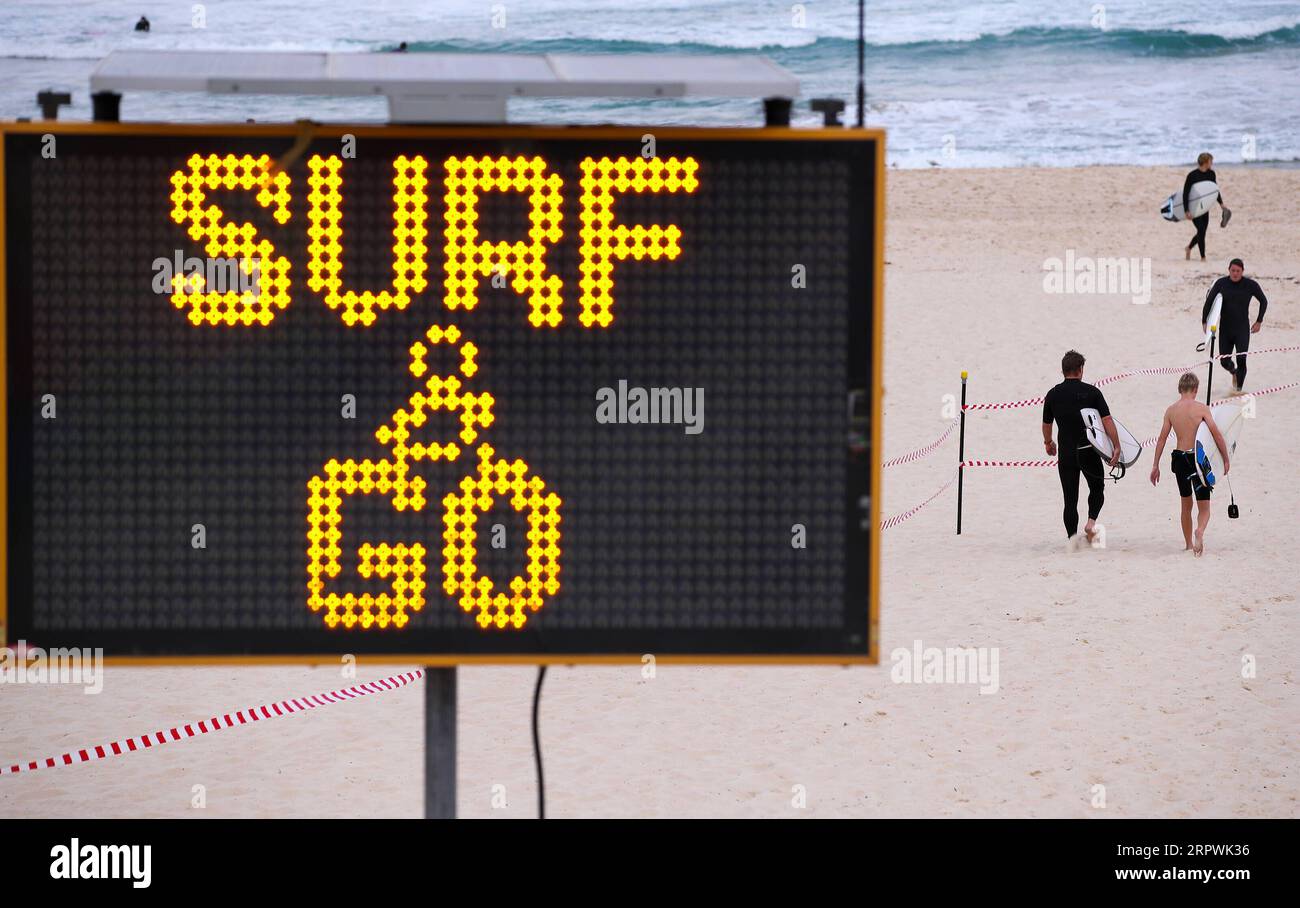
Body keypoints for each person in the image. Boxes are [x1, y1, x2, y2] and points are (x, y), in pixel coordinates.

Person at [1042, 350, 1120, 546]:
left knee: (1070, 499)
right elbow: (1107, 420)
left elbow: (1046, 423)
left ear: (1063, 370)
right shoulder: (1092, 392)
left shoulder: (1053, 394)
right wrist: (1116, 446)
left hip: (1067, 453)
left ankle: (1072, 539)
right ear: (1080, 370)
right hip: (1088, 450)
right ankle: (1091, 522)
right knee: (1097, 488)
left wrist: (1048, 442)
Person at [1149, 372, 1229, 556]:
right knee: (1204, 507)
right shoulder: (1201, 409)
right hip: (1197, 459)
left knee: (1186, 504)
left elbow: (1161, 440)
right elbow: (1216, 435)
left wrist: (1155, 465)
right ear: (1196, 389)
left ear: (1179, 389)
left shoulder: (1171, 410)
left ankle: (1187, 544)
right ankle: (1199, 531)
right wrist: (1225, 458)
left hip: (1179, 459)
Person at [1203, 258, 1268, 393]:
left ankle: (1238, 389)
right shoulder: (1221, 283)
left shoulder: (1250, 285)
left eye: (1238, 271)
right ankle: (1233, 372)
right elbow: (1209, 302)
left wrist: (1259, 321)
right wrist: (1205, 321)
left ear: (1242, 271)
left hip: (1242, 329)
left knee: (1242, 360)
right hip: (1225, 329)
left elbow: (1263, 301)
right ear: (1229, 270)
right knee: (1224, 361)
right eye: (1233, 270)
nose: (1235, 273)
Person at [1183, 152, 1230, 260]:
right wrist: (1186, 210)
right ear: (1205, 162)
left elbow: (1214, 190)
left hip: (1205, 207)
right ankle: (1203, 257)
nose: (1212, 163)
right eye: (1210, 161)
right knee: (1201, 230)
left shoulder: (1211, 174)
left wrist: (1221, 203)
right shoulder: (1192, 175)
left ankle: (1189, 248)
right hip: (1194, 207)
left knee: (1202, 231)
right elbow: (1186, 193)